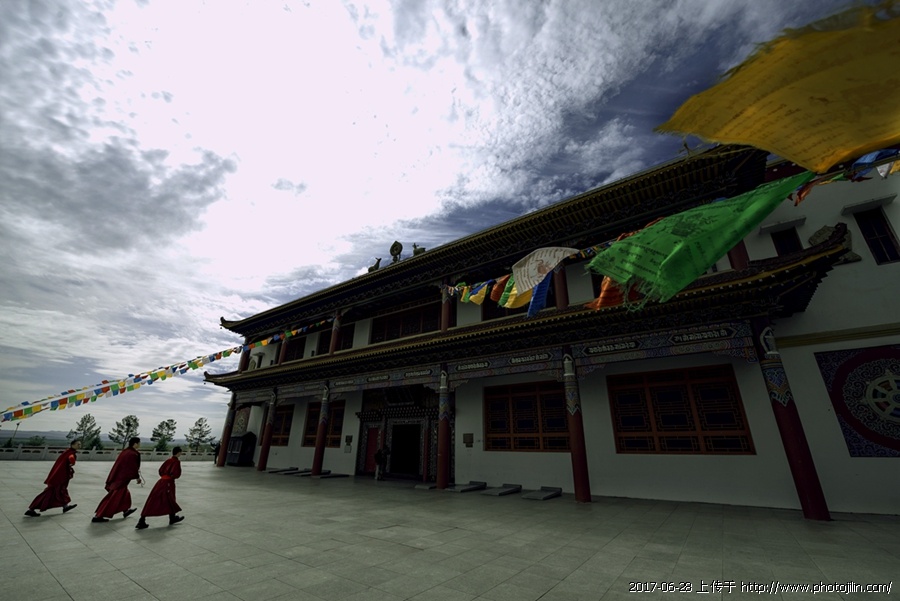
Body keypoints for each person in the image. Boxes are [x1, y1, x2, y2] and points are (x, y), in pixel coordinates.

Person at [25, 439, 81, 517]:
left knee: (61, 491)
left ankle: (65, 506)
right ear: (72, 445)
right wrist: (72, 462)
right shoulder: (69, 453)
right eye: (78, 444)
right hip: (59, 477)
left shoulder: (68, 452)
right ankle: (31, 509)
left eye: (80, 444)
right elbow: (71, 458)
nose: (79, 446)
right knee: (48, 493)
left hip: (60, 476)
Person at [92, 436, 142, 523]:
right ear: (135, 444)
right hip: (121, 479)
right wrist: (137, 477)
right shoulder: (132, 454)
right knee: (113, 498)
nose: (139, 445)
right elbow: (132, 467)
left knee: (125, 495)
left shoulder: (125, 452)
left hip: (118, 477)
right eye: (139, 443)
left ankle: (126, 510)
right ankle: (98, 516)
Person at [136, 447, 184, 529]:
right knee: (169, 499)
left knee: (155, 500)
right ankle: (142, 520)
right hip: (168, 483)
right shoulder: (176, 462)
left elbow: (160, 470)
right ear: (179, 453)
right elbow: (176, 474)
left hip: (161, 482)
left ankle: (172, 517)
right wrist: (171, 477)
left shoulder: (168, 460)